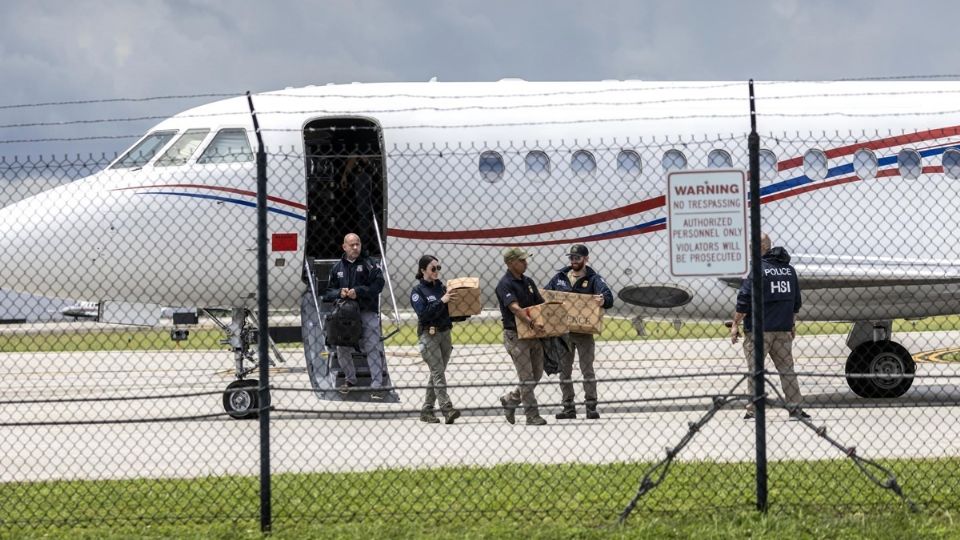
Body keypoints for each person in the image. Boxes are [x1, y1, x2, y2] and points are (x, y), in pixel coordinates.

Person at [730, 233, 809, 420]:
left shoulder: (758, 270)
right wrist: (791, 323)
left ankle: (754, 410)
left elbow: (744, 300)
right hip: (782, 329)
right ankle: (795, 408)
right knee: (787, 370)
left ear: (761, 248)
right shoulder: (789, 271)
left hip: (759, 331)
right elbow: (796, 301)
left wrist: (735, 324)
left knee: (755, 371)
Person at [544, 244, 614, 420]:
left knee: (587, 370)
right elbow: (545, 294)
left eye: (577, 258)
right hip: (564, 332)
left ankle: (591, 406)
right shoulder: (560, 277)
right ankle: (568, 408)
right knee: (564, 371)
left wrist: (602, 299)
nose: (574, 261)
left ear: (586, 259)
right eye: (572, 258)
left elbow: (609, 297)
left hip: (584, 332)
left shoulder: (594, 279)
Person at [323, 233, 386, 399]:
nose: (356, 247)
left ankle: (377, 385)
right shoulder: (337, 268)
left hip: (366, 311)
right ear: (344, 247)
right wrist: (340, 292)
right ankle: (350, 379)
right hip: (345, 317)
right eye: (352, 245)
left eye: (358, 244)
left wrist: (358, 292)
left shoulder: (370, 264)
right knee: (342, 349)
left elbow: (379, 285)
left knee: (372, 347)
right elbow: (328, 293)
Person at [495, 247, 548, 426]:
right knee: (526, 377)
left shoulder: (529, 282)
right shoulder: (505, 284)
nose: (526, 263)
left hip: (533, 334)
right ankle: (532, 415)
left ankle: (511, 399)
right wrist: (531, 322)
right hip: (515, 335)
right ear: (510, 263)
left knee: (537, 374)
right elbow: (515, 308)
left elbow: (540, 304)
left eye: (526, 260)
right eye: (522, 260)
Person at [410, 255, 462, 424]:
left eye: (438, 268)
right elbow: (424, 314)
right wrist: (442, 301)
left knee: (436, 373)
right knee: (438, 372)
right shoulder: (417, 292)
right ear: (423, 270)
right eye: (433, 268)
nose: (436, 271)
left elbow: (449, 312)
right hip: (429, 335)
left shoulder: (442, 288)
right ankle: (447, 408)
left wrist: (467, 309)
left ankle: (427, 410)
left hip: (445, 333)